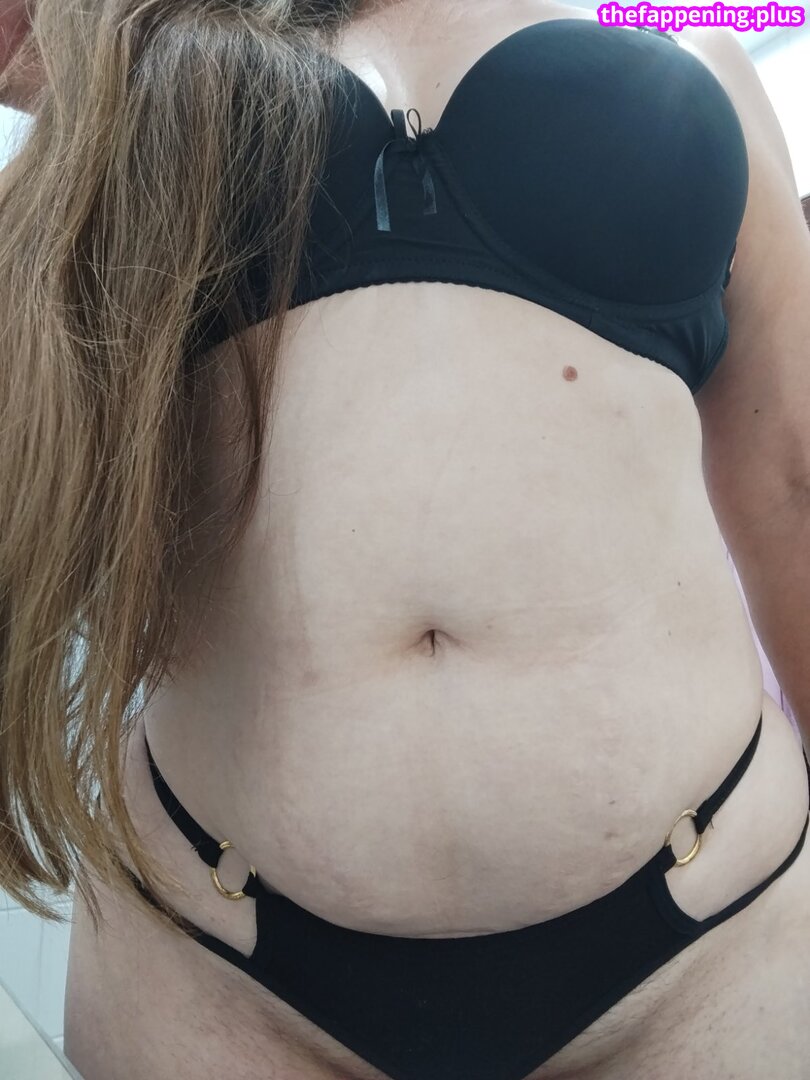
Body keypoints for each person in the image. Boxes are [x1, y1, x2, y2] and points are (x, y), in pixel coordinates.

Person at [2, 1, 810, 1078]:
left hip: (705, 938)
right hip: (221, 957)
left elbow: (792, 481)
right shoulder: (143, 68)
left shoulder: (697, 63)